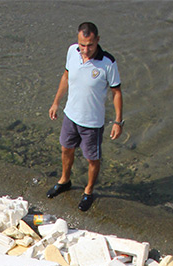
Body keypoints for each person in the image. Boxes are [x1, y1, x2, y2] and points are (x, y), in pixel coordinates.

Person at [47, 22, 123, 212]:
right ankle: (65, 180)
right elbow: (66, 76)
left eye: (90, 45)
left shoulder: (108, 62)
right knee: (66, 149)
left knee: (92, 159)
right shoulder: (72, 51)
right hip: (70, 116)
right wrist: (56, 102)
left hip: (92, 123)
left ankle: (88, 191)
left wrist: (118, 121)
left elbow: (117, 93)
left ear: (97, 40)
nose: (85, 49)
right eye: (82, 45)